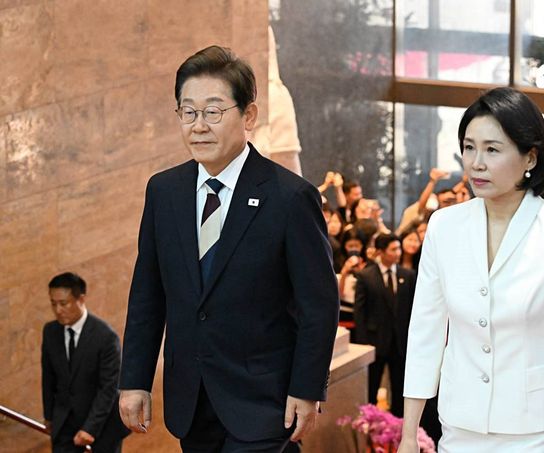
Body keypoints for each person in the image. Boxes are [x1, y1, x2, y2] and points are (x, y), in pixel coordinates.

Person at [118, 45, 339, 452]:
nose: (199, 126)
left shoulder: (290, 198)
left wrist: (307, 388)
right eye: (188, 112)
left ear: (248, 116)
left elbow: (319, 306)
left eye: (213, 112)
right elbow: (147, 294)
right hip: (191, 400)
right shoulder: (164, 191)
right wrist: (134, 380)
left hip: (265, 402)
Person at [399, 87, 544, 453]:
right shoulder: (444, 227)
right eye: (469, 147)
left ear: (530, 158)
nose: (476, 163)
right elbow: (424, 333)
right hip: (460, 426)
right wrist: (408, 435)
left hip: (541, 431)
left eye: (492, 150)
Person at [42, 272, 129, 453]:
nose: (58, 310)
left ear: (81, 299)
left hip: (103, 424)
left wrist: (90, 428)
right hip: (65, 422)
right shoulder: (50, 332)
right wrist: (49, 416)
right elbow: (48, 378)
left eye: (63, 303)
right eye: (53, 303)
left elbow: (108, 389)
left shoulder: (106, 337)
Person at [354, 233, 417, 418]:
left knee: (399, 387)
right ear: (381, 252)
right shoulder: (366, 276)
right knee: (372, 386)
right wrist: (364, 342)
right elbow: (360, 312)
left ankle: (398, 425)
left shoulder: (408, 275)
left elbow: (412, 309)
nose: (398, 253)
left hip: (400, 342)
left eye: (398, 248)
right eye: (393, 249)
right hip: (375, 340)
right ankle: (369, 423)